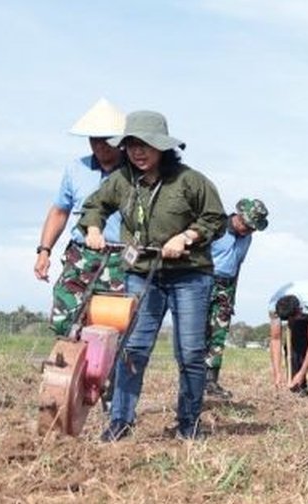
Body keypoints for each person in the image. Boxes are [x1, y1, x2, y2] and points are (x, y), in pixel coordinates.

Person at [79, 110, 226, 441]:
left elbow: (216, 219)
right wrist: (93, 228)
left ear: (163, 147)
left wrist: (187, 237)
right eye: (131, 144)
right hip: (142, 274)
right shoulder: (121, 180)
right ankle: (121, 420)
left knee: (189, 352)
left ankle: (189, 424)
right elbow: (95, 207)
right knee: (133, 349)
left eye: (145, 145)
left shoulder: (190, 181)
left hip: (189, 276)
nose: (138, 152)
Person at [34, 99, 129, 337]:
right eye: (94, 139)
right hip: (80, 255)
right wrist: (44, 250)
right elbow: (60, 211)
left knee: (111, 327)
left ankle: (107, 373)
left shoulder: (135, 173)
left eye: (107, 139)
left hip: (120, 258)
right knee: (65, 321)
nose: (100, 145)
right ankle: (70, 369)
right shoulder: (75, 169)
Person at [205, 197, 268, 399]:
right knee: (197, 332)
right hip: (204, 282)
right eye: (248, 226)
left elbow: (237, 266)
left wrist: (232, 295)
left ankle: (210, 382)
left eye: (253, 229)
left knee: (218, 335)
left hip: (226, 287)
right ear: (238, 217)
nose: (249, 231)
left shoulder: (248, 238)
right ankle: (191, 379)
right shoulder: (215, 226)